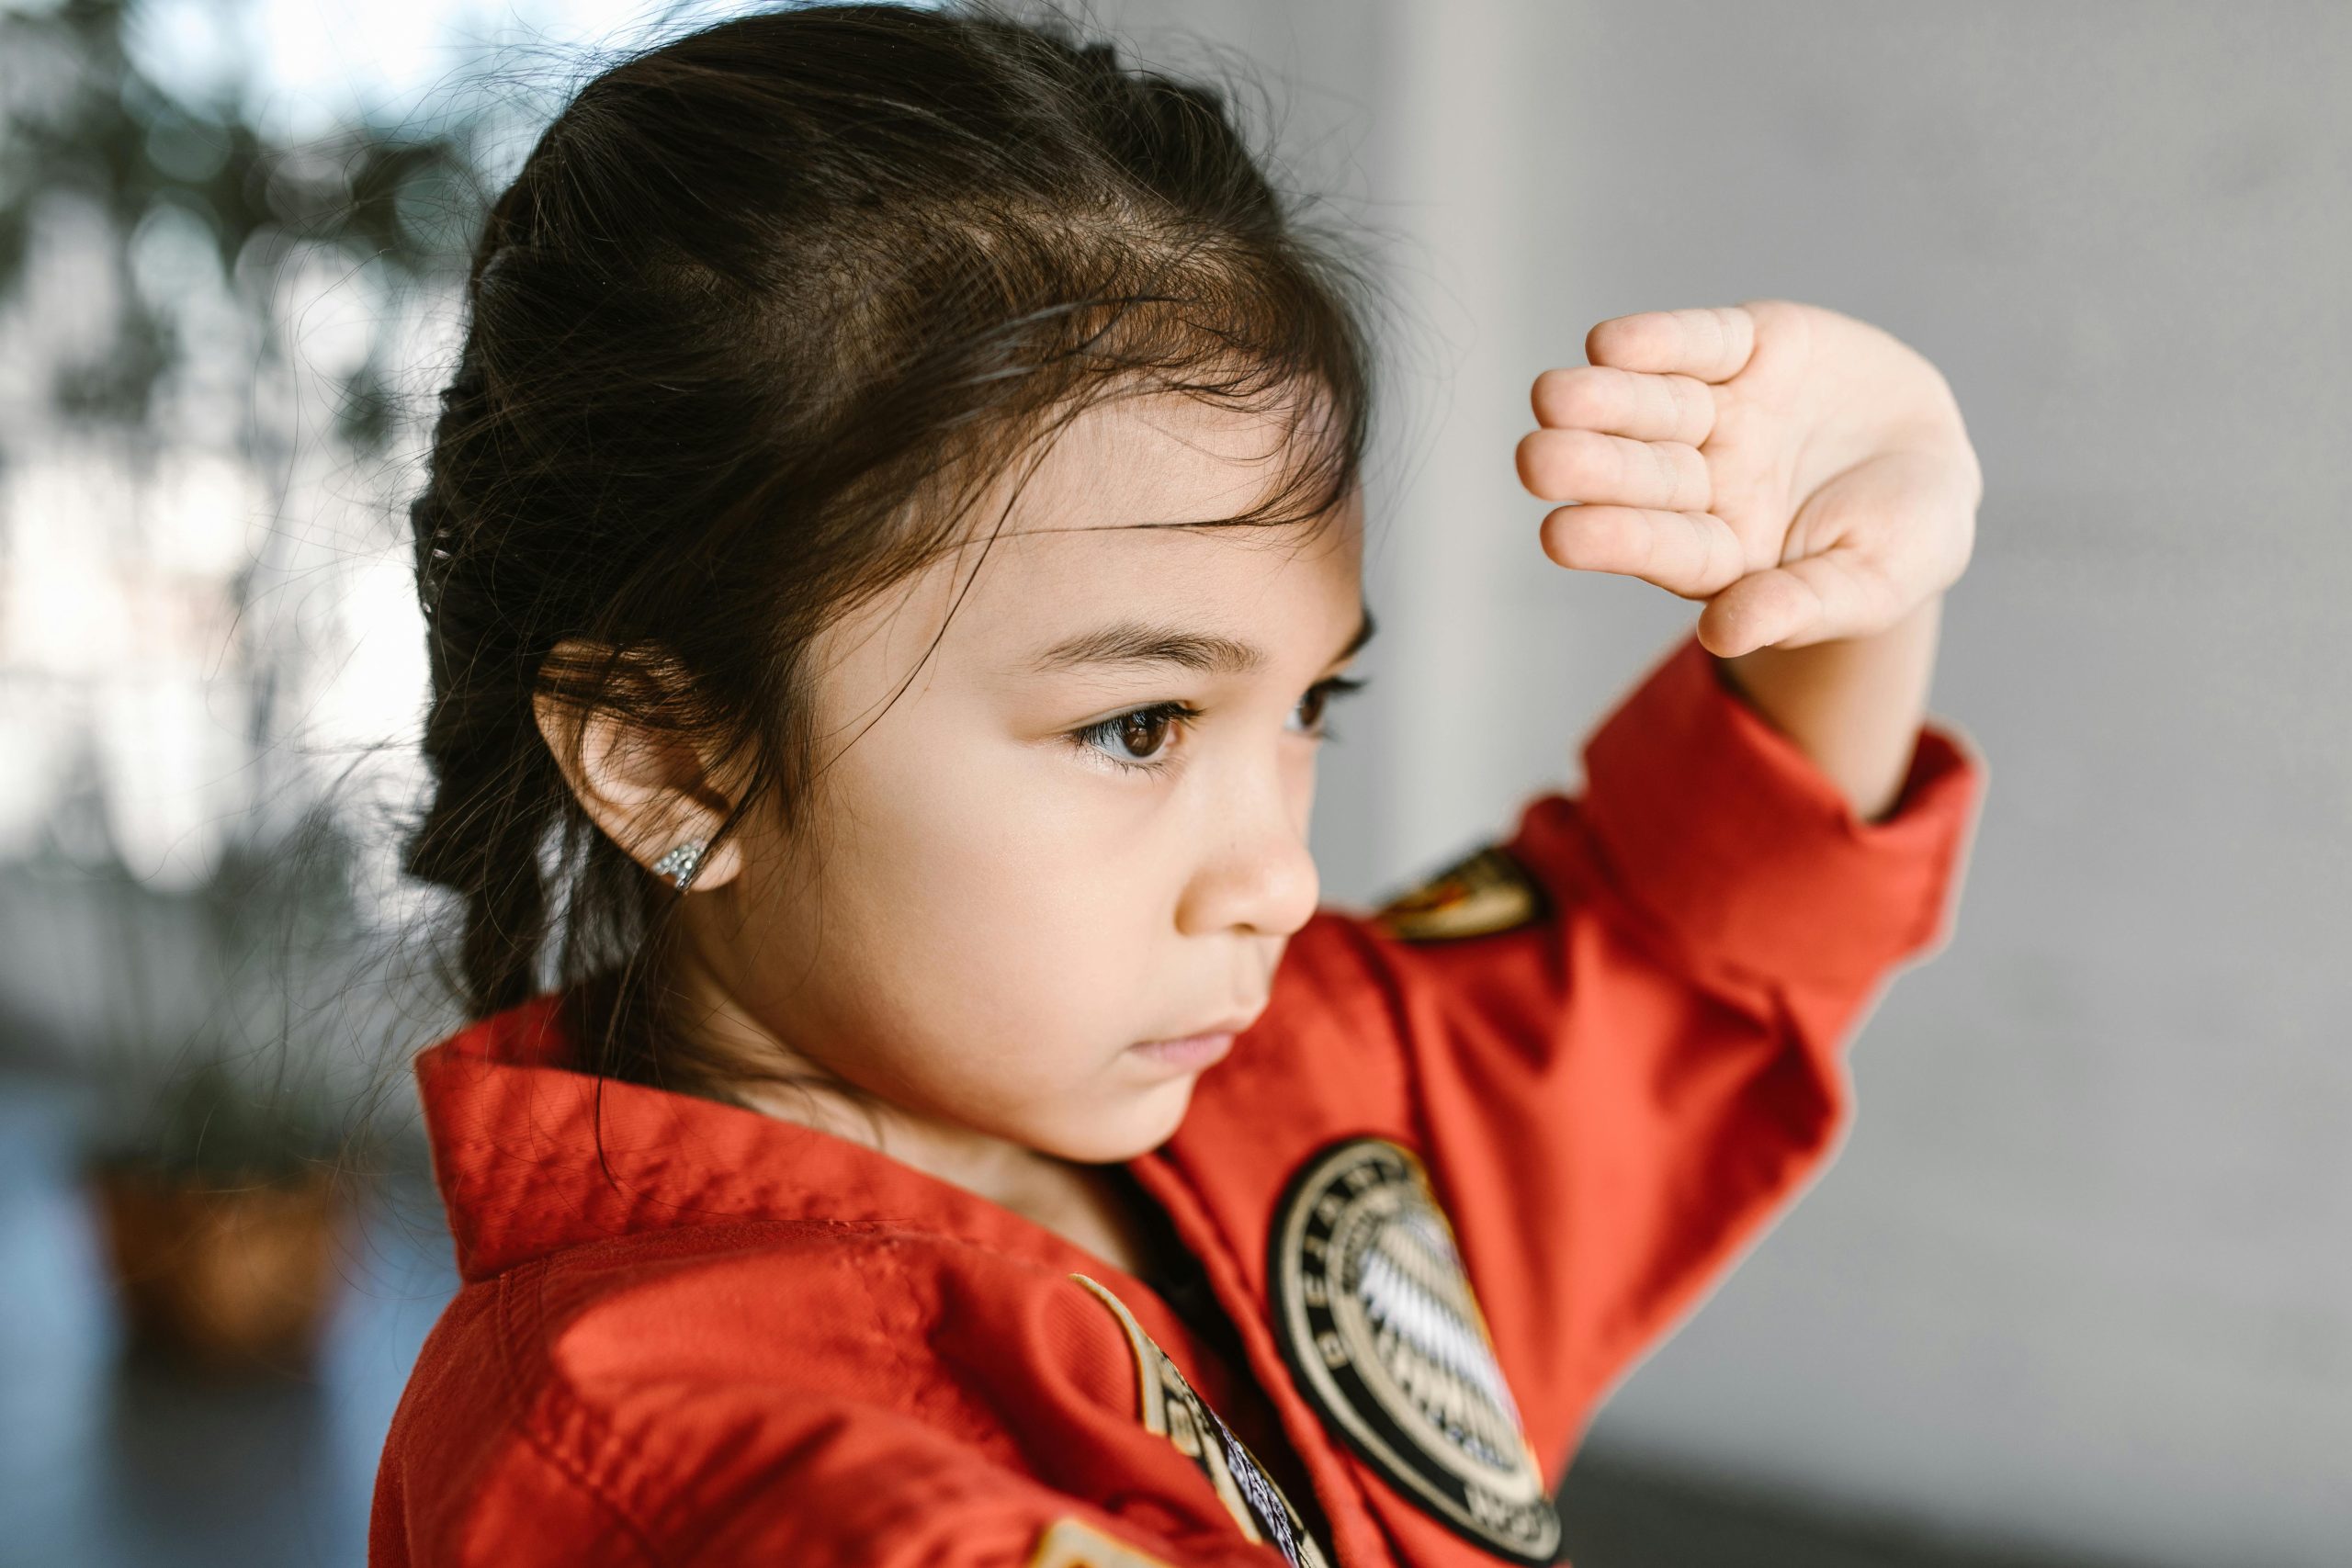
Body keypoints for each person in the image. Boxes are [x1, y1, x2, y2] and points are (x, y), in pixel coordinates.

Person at [370, 4, 1986, 1565]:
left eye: (1310, 705)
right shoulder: (668, 1459)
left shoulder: (1291, 1088)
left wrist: (1853, 576)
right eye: (1140, 727)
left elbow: (1670, 945)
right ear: (672, 762)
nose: (1280, 880)